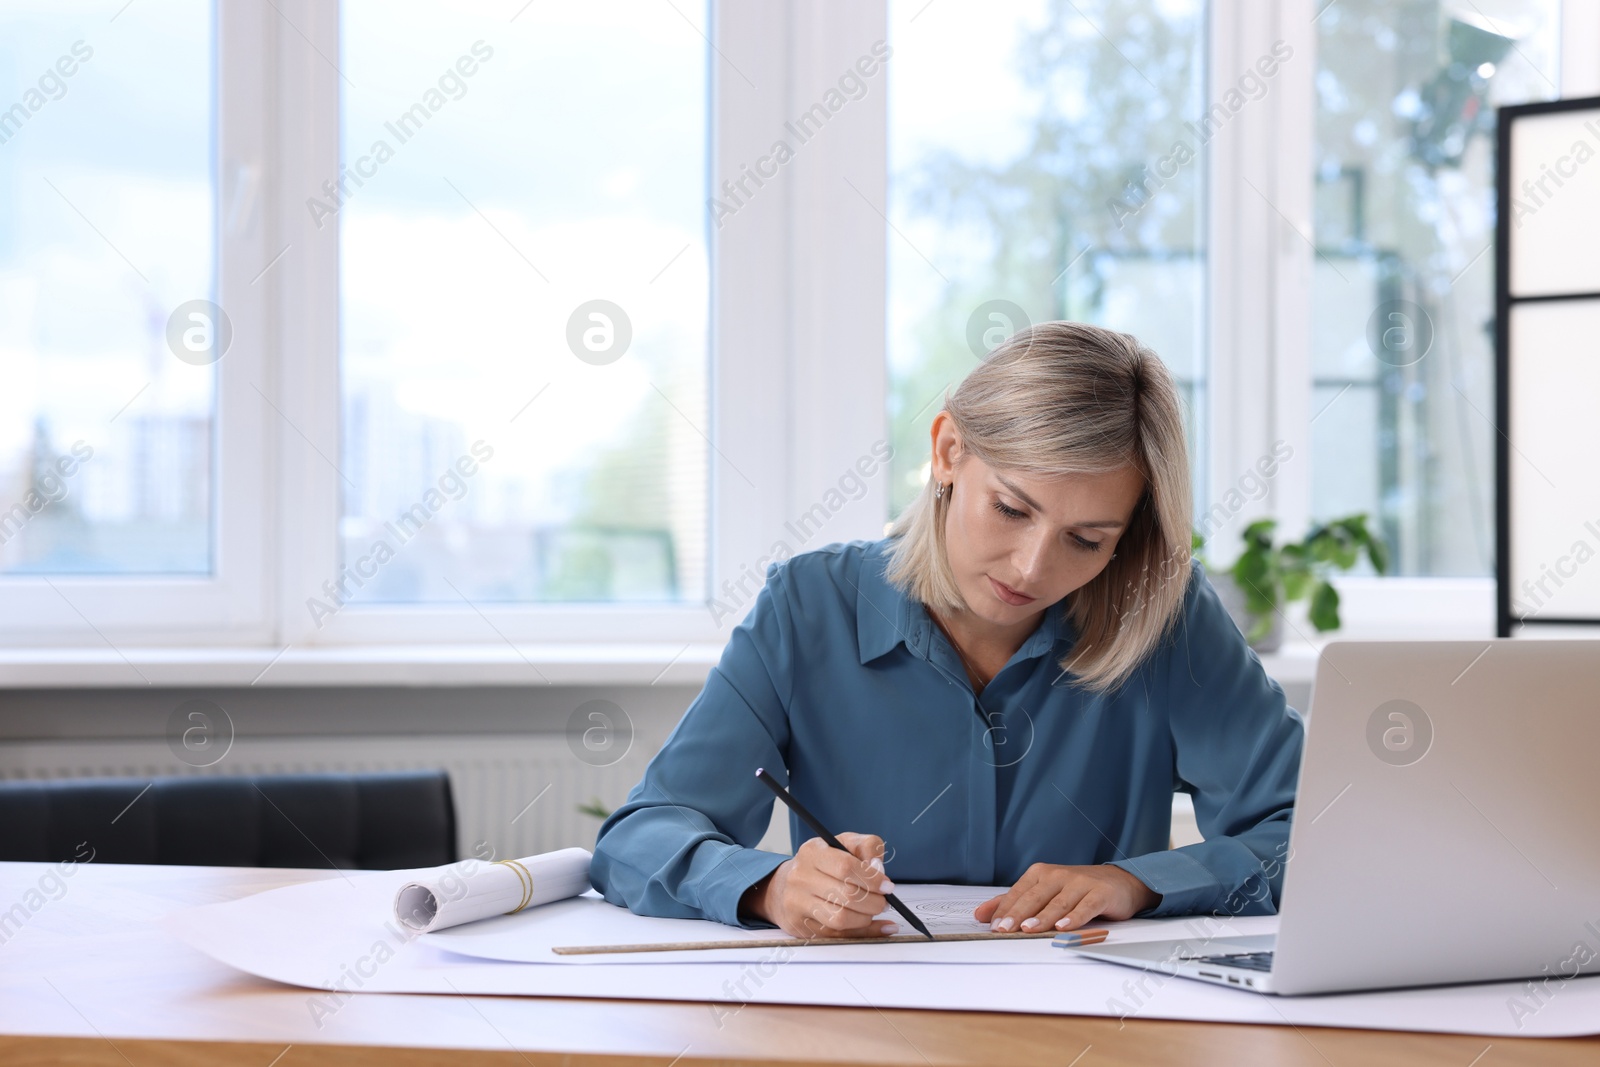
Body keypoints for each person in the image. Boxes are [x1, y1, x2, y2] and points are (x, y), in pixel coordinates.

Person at [590, 321, 1302, 940]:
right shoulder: (809, 607)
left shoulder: (1166, 616)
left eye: (1086, 539)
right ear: (948, 450)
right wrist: (770, 887)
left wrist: (1140, 882)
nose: (1031, 566)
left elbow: (1321, 829)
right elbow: (639, 837)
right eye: (1012, 509)